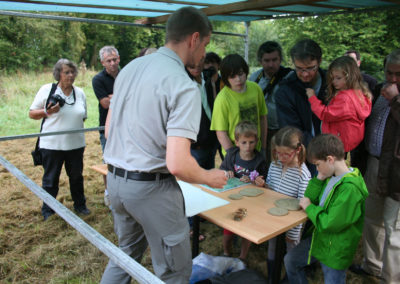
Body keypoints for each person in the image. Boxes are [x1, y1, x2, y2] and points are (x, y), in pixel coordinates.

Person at [100, 7, 227, 284]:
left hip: (116, 181)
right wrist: (210, 177)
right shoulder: (183, 85)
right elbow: (178, 164)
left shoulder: (131, 68)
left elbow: (109, 130)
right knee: (175, 273)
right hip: (152, 189)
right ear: (194, 39)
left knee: (125, 256)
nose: (204, 52)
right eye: (205, 44)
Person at [284, 134, 368, 284]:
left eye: (317, 164)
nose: (317, 169)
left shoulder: (350, 190)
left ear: (330, 159)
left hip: (335, 251)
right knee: (290, 261)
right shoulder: (330, 175)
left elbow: (329, 222)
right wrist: (318, 179)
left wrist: (310, 208)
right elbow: (308, 198)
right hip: (320, 239)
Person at [350, 49, 400, 283]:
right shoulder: (380, 89)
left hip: (397, 172)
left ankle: (390, 279)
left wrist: (396, 99)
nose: (392, 79)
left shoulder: (393, 95)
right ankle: (372, 265)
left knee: (394, 230)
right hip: (374, 163)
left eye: (398, 75)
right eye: (389, 72)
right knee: (372, 218)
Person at [29, 59, 89, 221]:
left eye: (73, 72)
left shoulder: (80, 93)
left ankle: (80, 205)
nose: (71, 75)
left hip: (75, 145)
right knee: (51, 179)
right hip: (52, 146)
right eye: (66, 72)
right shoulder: (47, 90)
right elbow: (32, 113)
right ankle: (48, 210)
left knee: (76, 177)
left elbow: (82, 117)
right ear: (58, 74)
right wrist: (47, 112)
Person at [265, 126, 311, 282]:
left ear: (297, 150)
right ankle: (272, 276)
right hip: (272, 217)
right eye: (278, 153)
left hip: (291, 224)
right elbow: (270, 190)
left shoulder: (303, 174)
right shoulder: (275, 164)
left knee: (291, 251)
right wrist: (263, 186)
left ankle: (290, 277)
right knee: (272, 247)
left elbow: (301, 206)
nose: (281, 157)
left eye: (286, 154)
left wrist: (294, 231)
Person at [219, 121, 268, 261]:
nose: (248, 146)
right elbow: (222, 170)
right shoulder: (232, 155)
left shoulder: (260, 160)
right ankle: (226, 253)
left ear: (257, 141)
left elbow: (263, 183)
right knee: (228, 229)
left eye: (251, 142)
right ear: (237, 142)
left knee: (247, 231)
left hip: (251, 203)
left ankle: (243, 257)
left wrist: (256, 182)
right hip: (232, 200)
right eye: (244, 142)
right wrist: (227, 172)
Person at [306, 56, 372, 153]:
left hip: (337, 144)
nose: (334, 82)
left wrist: (312, 98)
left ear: (350, 76)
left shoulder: (345, 99)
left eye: (338, 78)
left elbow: (325, 114)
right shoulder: (360, 93)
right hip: (348, 143)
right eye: (332, 78)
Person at [210, 53, 268, 157]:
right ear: (225, 78)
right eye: (232, 76)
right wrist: (234, 157)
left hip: (256, 151)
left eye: (241, 74)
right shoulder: (222, 99)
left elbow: (262, 118)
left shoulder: (256, 89)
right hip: (235, 153)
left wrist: (263, 147)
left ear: (246, 71)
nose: (238, 79)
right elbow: (221, 132)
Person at [276, 39, 327, 148]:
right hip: (303, 153)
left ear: (320, 61)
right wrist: (318, 149)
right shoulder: (285, 92)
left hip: (333, 150)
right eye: (299, 68)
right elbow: (291, 131)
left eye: (310, 68)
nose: (305, 74)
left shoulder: (333, 84)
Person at [249, 41, 292, 166]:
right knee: (264, 165)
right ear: (260, 61)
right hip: (261, 130)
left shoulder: (289, 77)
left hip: (283, 131)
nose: (271, 64)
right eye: (266, 60)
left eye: (275, 60)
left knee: (283, 165)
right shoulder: (255, 78)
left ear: (280, 59)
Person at [92, 45, 120, 207]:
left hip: (126, 125)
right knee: (108, 159)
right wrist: (121, 97)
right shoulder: (98, 79)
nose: (112, 63)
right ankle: (109, 193)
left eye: (114, 59)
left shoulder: (126, 75)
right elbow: (104, 103)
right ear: (102, 62)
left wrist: (113, 98)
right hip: (107, 127)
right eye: (108, 61)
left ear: (119, 59)